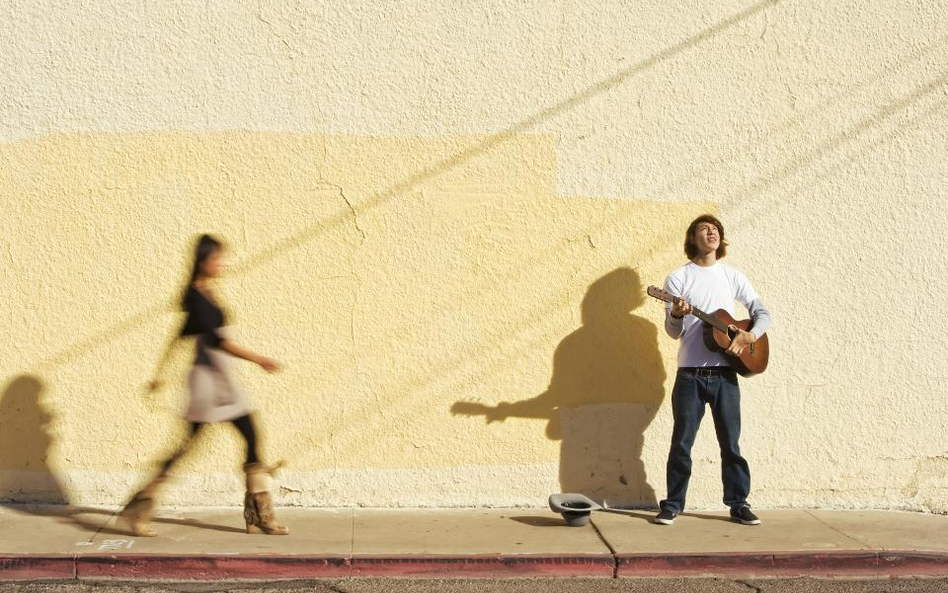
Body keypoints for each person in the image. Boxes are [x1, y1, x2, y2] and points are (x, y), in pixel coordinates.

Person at [120, 234, 288, 536]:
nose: (222, 264)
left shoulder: (203, 293)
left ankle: (258, 515)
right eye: (217, 258)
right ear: (203, 261)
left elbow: (179, 335)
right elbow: (218, 341)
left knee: (243, 436)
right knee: (202, 444)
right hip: (209, 381)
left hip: (217, 377)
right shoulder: (197, 296)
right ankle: (139, 508)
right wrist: (260, 359)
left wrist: (161, 373)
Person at [654, 215, 770, 526]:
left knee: (731, 444)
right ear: (692, 238)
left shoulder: (732, 277)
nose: (712, 232)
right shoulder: (678, 279)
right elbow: (673, 331)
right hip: (690, 375)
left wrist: (750, 335)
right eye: (704, 229)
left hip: (726, 374)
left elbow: (761, 311)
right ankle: (673, 504)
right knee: (682, 443)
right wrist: (677, 315)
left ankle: (738, 503)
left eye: (716, 229)